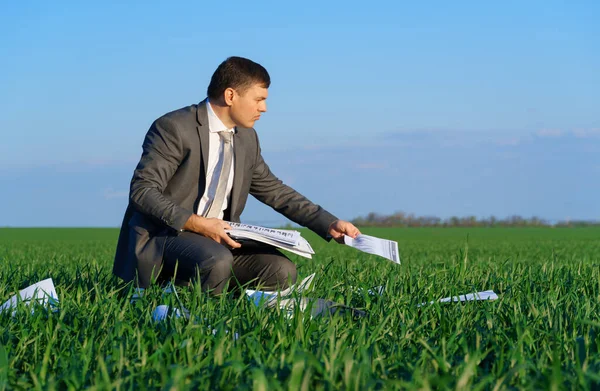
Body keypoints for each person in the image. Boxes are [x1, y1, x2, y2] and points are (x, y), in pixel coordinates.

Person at [113, 56, 361, 294]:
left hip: (220, 238)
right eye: (258, 99)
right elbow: (143, 191)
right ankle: (199, 320)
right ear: (230, 95)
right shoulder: (174, 127)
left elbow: (274, 190)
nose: (263, 108)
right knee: (216, 259)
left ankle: (243, 314)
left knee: (280, 270)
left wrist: (328, 224)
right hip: (167, 236)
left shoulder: (247, 137)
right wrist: (197, 223)